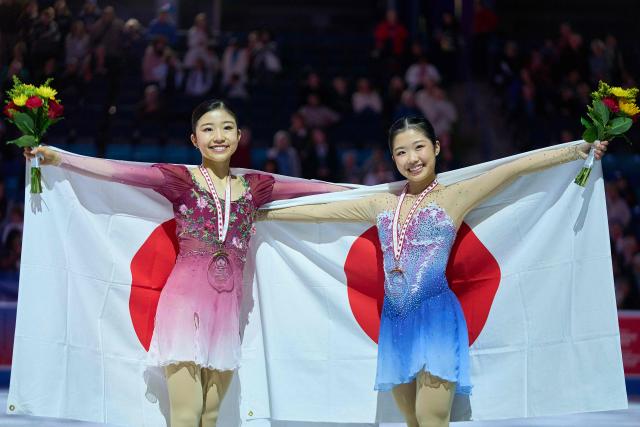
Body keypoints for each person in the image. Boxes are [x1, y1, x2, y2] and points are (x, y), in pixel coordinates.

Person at [260, 116, 608, 427]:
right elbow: (318, 213)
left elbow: (512, 169)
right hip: (395, 323)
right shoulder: (381, 203)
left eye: (419, 147)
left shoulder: (455, 197)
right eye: (401, 152)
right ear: (392, 158)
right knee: (412, 420)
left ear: (437, 147)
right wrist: (258, 217)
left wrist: (578, 151)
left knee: (431, 419)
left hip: (437, 317)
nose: (412, 159)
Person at [24, 100, 345, 427]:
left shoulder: (256, 186)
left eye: (226, 128)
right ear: (194, 139)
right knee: (187, 414)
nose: (218, 136)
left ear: (239, 136)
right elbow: (120, 171)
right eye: (208, 129)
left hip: (227, 314)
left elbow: (323, 190)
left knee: (210, 415)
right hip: (183, 309)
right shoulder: (180, 179)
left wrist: (381, 192)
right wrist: (59, 157)